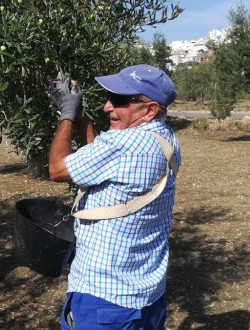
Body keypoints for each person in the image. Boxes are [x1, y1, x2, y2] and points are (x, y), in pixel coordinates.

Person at [47, 64, 181, 330]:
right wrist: (81, 113)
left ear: (150, 109)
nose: (108, 107)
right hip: (148, 295)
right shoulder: (167, 139)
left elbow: (57, 169)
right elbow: (101, 155)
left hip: (104, 300)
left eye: (119, 100)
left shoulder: (124, 145)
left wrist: (67, 114)